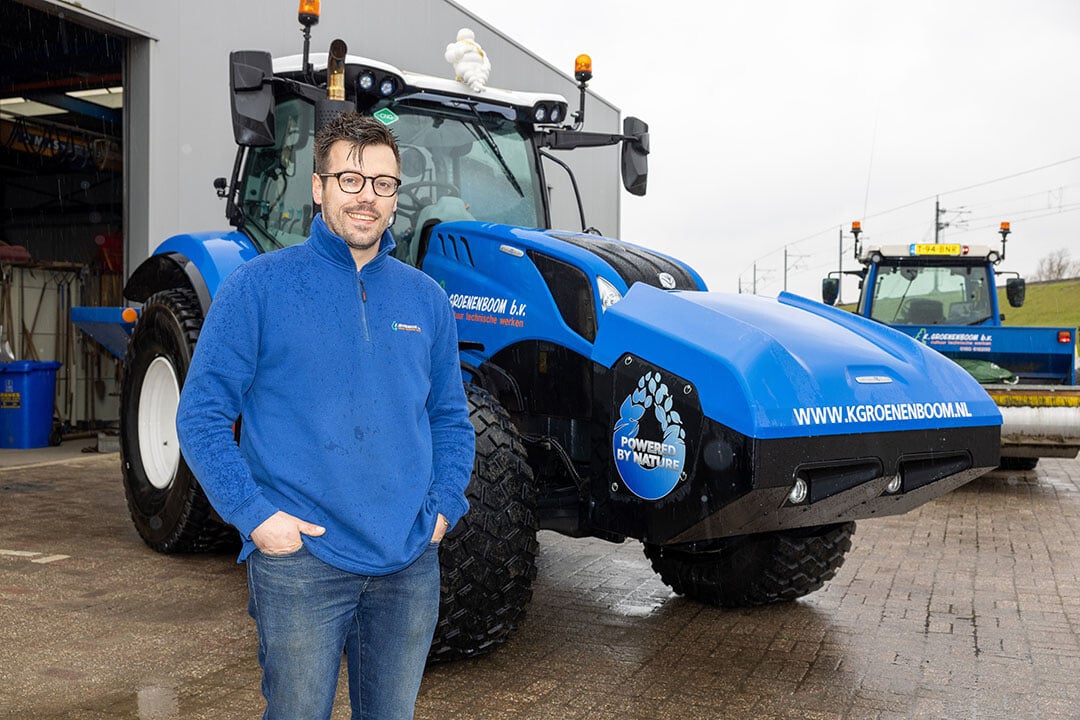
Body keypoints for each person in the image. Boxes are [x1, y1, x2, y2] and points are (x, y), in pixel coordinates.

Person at [176, 111, 475, 720]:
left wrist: (444, 506)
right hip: (302, 565)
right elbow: (201, 414)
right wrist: (255, 517)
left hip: (408, 563)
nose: (368, 197)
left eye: (383, 184)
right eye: (350, 179)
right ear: (318, 188)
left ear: (396, 197)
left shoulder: (427, 300)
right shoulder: (258, 289)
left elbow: (450, 418)